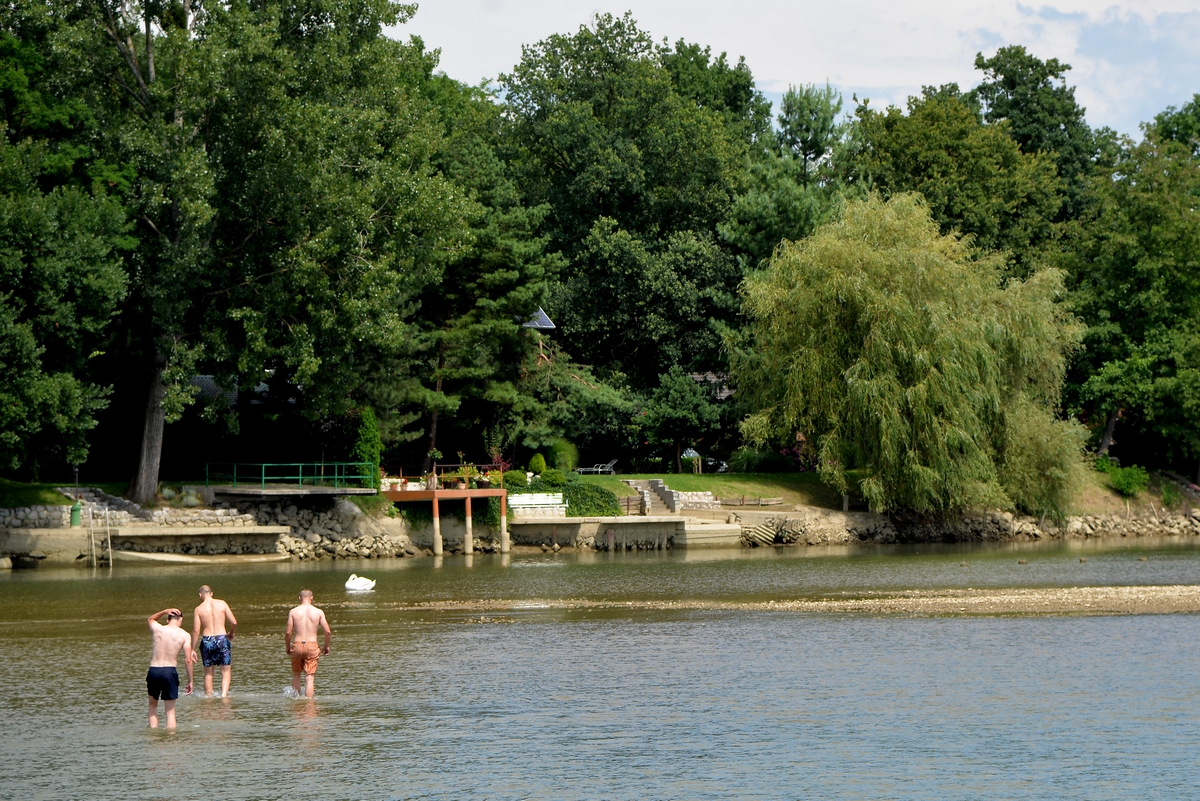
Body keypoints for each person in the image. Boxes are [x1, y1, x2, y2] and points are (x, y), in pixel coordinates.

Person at [146, 608, 194, 728]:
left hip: (154, 670)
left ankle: (154, 737)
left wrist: (164, 611)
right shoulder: (184, 635)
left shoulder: (158, 629)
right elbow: (188, 660)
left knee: (152, 706)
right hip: (169, 671)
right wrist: (190, 681)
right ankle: (171, 740)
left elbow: (151, 619)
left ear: (168, 619)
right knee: (170, 712)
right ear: (181, 620)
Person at [191, 585, 238, 697]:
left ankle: (209, 697)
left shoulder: (198, 609)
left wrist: (192, 649)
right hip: (222, 638)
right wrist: (231, 633)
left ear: (200, 595)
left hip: (207, 640)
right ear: (211, 593)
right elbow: (234, 622)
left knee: (208, 674)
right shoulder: (222, 603)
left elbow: (196, 631)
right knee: (225, 672)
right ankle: (223, 696)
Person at [285, 589, 331, 698]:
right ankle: (309, 703)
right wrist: (326, 645)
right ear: (312, 598)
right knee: (309, 677)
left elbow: (288, 632)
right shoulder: (318, 612)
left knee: (296, 674)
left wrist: (288, 646)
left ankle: (296, 701)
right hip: (312, 645)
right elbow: (327, 631)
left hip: (297, 645)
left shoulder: (293, 612)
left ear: (299, 598)